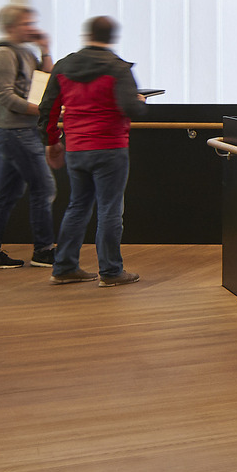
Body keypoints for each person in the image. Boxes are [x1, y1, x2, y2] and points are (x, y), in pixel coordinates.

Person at [46, 16, 151, 287]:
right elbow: (131, 108)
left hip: (76, 148)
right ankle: (111, 272)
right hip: (110, 148)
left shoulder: (63, 66)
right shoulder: (118, 68)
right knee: (110, 210)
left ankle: (64, 267)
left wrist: (52, 141)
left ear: (87, 34)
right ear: (112, 37)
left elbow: (48, 108)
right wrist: (140, 100)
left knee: (77, 206)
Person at [0, 4, 57, 270]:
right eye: (26, 23)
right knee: (44, 188)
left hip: (21, 131)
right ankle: (44, 250)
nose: (32, 28)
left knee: (8, 192)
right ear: (10, 27)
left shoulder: (25, 53)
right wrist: (41, 110)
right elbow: (4, 96)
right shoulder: (4, 55)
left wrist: (45, 49)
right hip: (15, 132)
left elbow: (46, 81)